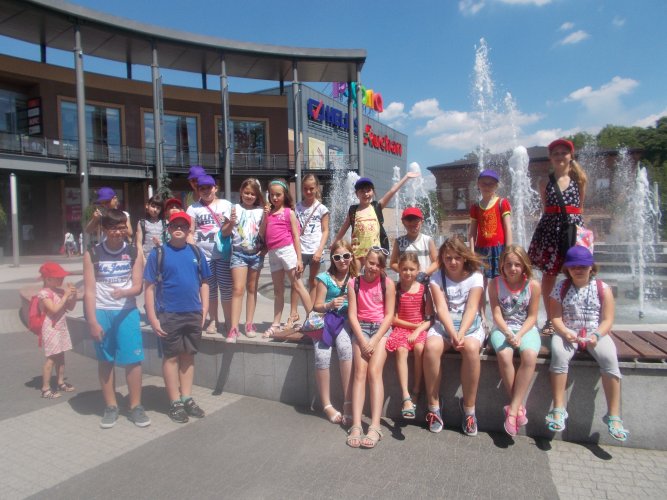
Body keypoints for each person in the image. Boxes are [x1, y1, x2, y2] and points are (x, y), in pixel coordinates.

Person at [545, 246, 629, 442]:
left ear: (591, 267)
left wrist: (597, 335)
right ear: (568, 269)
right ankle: (558, 408)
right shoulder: (560, 288)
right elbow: (555, 317)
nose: (578, 270)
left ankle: (614, 415)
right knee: (559, 355)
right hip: (568, 332)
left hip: (595, 333)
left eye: (583, 266)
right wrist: (565, 332)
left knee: (610, 359)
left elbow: (608, 320)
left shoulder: (603, 288)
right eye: (574, 266)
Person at [83, 209, 149, 428]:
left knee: (133, 361)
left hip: (127, 312)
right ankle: (111, 406)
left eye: (122, 228)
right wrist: (92, 321)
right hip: (102, 311)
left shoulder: (133, 252)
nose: (118, 232)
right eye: (113, 228)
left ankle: (135, 406)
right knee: (105, 360)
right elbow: (89, 291)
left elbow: (138, 286)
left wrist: (125, 292)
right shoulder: (92, 253)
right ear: (104, 229)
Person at [144, 211, 212, 423]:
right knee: (171, 357)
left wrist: (204, 310)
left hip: (193, 312)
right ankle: (175, 402)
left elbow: (205, 282)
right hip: (169, 313)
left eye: (183, 225)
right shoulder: (158, 253)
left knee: (188, 355)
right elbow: (149, 287)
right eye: (175, 225)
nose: (179, 229)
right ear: (169, 229)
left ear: (189, 229)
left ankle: (186, 398)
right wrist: (152, 317)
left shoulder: (196, 252)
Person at [423, 236, 484, 436]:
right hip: (445, 325)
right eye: (448, 258)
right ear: (442, 258)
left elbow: (472, 307)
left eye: (457, 257)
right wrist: (452, 334)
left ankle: (469, 410)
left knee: (471, 349)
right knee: (431, 347)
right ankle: (434, 407)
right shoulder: (436, 278)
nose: (453, 262)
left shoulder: (476, 276)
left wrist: (461, 333)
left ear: (464, 257)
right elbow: (441, 309)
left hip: (469, 326)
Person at [528, 139, 587, 335]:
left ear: (571, 156)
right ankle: (551, 319)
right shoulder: (544, 182)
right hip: (551, 231)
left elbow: (579, 209)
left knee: (577, 272)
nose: (560, 156)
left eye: (564, 152)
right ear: (550, 158)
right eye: (556, 153)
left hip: (572, 232)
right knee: (549, 275)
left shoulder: (579, 181)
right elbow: (547, 208)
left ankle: (576, 318)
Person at [488, 245, 541, 436]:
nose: (513, 268)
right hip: (502, 328)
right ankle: (517, 409)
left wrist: (518, 335)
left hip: (526, 329)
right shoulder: (494, 283)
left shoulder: (533, 285)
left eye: (517, 264)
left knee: (529, 356)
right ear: (502, 265)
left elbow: (532, 317)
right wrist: (508, 332)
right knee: (504, 354)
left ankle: (512, 410)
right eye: (509, 264)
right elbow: (496, 314)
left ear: (524, 265)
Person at [346, 247, 395, 449]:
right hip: (361, 329)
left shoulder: (387, 283)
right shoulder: (353, 283)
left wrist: (374, 340)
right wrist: (361, 339)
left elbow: (389, 316)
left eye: (378, 265)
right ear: (365, 261)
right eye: (371, 262)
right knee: (359, 372)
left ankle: (375, 426)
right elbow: (352, 315)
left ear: (383, 267)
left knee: (374, 372)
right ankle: (357, 425)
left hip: (380, 330)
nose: (373, 267)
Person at [311, 240, 358, 426]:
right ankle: (326, 405)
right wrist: (329, 305)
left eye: (346, 256)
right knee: (322, 355)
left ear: (351, 256)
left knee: (346, 348)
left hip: (345, 321)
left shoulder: (356, 278)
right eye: (337, 257)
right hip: (327, 320)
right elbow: (316, 305)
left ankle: (348, 402)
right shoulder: (324, 278)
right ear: (332, 259)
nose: (342, 260)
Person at [259, 178, 312, 338]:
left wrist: (299, 259)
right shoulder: (269, 214)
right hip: (273, 254)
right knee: (278, 290)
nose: (275, 198)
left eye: (278, 195)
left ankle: (313, 319)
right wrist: (265, 216)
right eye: (272, 195)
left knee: (298, 285)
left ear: (285, 195)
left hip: (287, 251)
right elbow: (262, 233)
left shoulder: (289, 213)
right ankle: (276, 324)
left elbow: (296, 237)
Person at [332, 172, 419, 266]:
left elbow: (392, 191)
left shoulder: (376, 207)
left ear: (373, 192)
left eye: (368, 190)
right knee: (354, 274)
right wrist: (335, 242)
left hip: (375, 253)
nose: (366, 194)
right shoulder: (353, 210)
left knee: (375, 273)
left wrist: (406, 177)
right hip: (357, 253)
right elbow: (344, 227)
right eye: (362, 191)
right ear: (357, 194)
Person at [386, 252, 433, 419]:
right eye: (404, 269)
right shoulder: (396, 289)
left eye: (412, 269)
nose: (408, 272)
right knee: (401, 350)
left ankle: (416, 390)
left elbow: (429, 319)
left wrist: (418, 330)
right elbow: (392, 319)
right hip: (402, 328)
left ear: (418, 269)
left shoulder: (424, 290)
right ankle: (406, 396)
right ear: (399, 269)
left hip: (420, 329)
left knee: (420, 348)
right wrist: (413, 327)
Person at [186, 175, 233, 336]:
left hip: (223, 254)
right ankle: (213, 320)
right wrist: (194, 253)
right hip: (203, 256)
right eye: (202, 188)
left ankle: (228, 320)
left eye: (209, 187)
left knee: (226, 288)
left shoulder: (226, 204)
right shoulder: (193, 208)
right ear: (198, 190)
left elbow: (232, 227)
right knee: (210, 289)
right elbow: (190, 232)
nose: (206, 191)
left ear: (215, 188)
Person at [288, 174, 330, 329]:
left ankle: (309, 314)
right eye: (305, 188)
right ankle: (293, 314)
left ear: (317, 188)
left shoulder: (322, 209)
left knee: (313, 282)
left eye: (311, 188)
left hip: (314, 250)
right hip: (299, 250)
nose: (308, 191)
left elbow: (325, 230)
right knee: (296, 282)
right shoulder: (297, 207)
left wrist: (320, 250)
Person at [227, 178, 265, 342]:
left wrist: (265, 248)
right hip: (239, 253)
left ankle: (249, 323)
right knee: (238, 289)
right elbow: (225, 231)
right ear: (241, 193)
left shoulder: (261, 211)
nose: (249, 196)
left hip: (256, 254)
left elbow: (264, 232)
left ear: (257, 196)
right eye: (246, 193)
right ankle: (234, 327)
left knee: (252, 288)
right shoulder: (234, 208)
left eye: (253, 194)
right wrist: (231, 222)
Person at [37, 262, 77, 399]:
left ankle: (60, 382)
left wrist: (73, 295)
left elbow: (70, 307)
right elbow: (53, 309)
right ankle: (45, 388)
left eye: (62, 277)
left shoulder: (60, 292)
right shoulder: (44, 293)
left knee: (61, 356)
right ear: (48, 279)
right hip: (51, 328)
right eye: (58, 277)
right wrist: (65, 296)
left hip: (61, 327)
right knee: (51, 358)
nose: (61, 279)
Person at [468, 169, 512, 282]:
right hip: (480, 249)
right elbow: (472, 232)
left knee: (500, 278)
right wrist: (472, 251)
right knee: (480, 279)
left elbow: (508, 228)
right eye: (484, 183)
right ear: (478, 184)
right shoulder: (475, 207)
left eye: (491, 184)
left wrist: (509, 250)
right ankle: (482, 295)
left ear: (496, 186)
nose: (487, 186)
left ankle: (498, 294)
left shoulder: (502, 203)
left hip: (499, 248)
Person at [389, 207, 438, 280]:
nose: (412, 228)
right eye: (409, 226)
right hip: (406, 282)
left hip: (424, 281)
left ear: (421, 222)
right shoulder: (399, 242)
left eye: (415, 225)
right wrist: (404, 272)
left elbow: (436, 262)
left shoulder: (428, 240)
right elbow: (392, 263)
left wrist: (424, 273)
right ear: (403, 223)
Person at [135, 195, 164, 259]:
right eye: (153, 206)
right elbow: (139, 243)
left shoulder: (164, 223)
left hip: (162, 257)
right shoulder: (142, 223)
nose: (155, 210)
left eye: (158, 208)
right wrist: (142, 258)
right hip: (147, 257)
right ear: (147, 206)